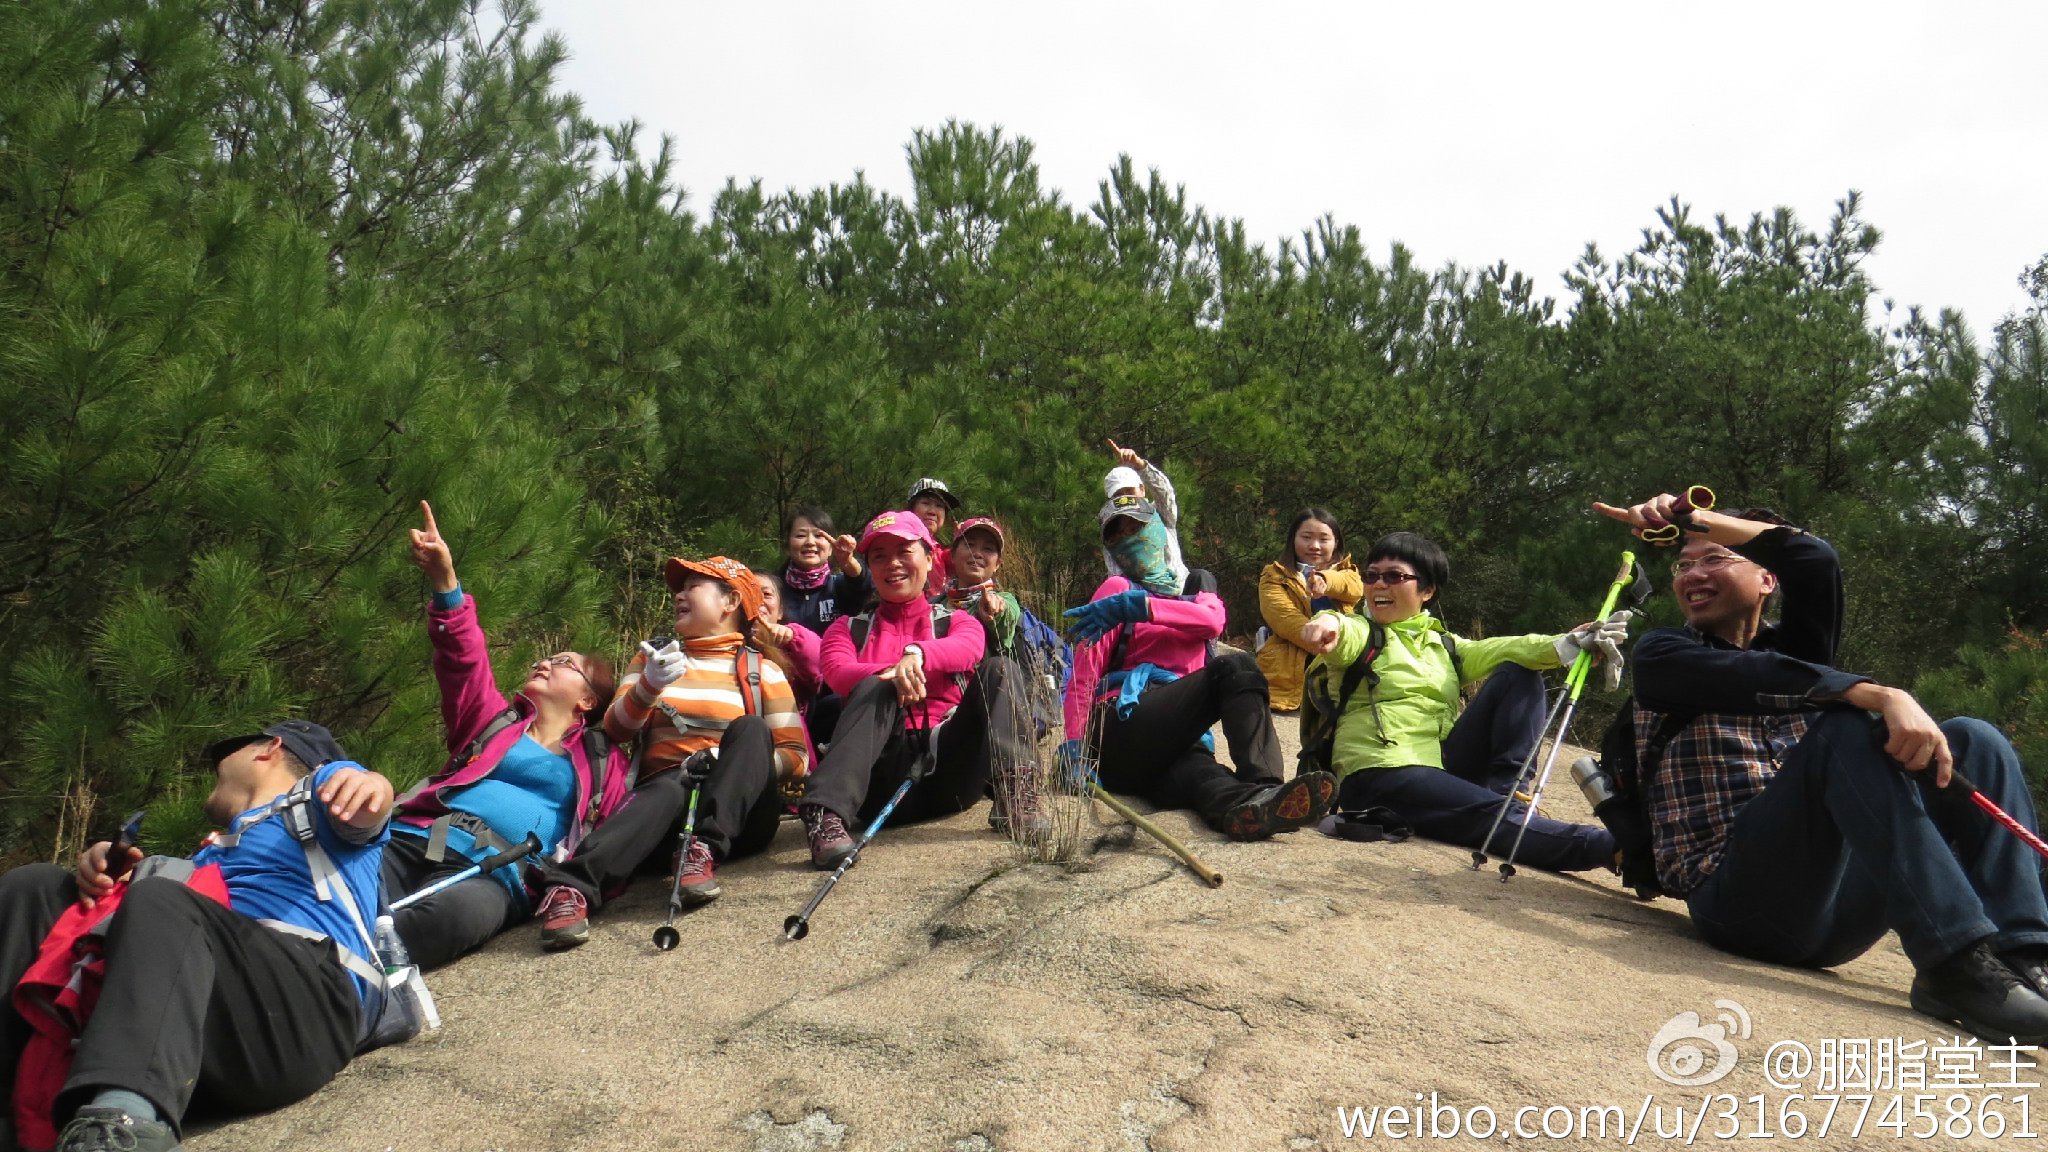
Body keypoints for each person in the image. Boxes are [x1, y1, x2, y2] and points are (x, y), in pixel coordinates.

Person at [1594, 492, 2048, 1043]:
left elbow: (1815, 560)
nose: (1693, 575)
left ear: (1767, 579)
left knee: (1976, 739)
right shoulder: (1663, 655)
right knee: (1843, 727)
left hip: (1834, 913)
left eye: (1714, 558)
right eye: (1684, 565)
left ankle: (2025, 958)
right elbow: (1760, 678)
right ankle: (1956, 963)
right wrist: (1882, 695)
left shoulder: (1797, 649)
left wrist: (1692, 517)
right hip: (1736, 902)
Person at [1, 722, 392, 1152]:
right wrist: (103, 882)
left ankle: (121, 1124)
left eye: (224, 756)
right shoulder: (207, 858)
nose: (213, 771)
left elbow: (366, 811)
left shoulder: (317, 803)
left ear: (269, 749)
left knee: (159, 898)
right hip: (202, 1042)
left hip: (303, 1016)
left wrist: (371, 786)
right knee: (34, 886)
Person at [384, 501, 629, 969]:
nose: (544, 663)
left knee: (452, 920)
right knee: (343, 892)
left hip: (497, 875)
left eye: (564, 663)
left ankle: (344, 976)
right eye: (546, 658)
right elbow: (463, 661)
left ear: (588, 700)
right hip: (415, 839)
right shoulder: (493, 722)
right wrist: (446, 583)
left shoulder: (604, 760)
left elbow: (620, 828)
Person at [1295, 531, 1620, 871]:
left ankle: (1509, 793)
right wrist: (1327, 622)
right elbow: (1345, 629)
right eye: (1371, 575)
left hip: (1437, 768)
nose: (1378, 584)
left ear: (1427, 590)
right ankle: (1612, 849)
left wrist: (1569, 643)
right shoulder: (1363, 632)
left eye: (1394, 576)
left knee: (1519, 673)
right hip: (1380, 772)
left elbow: (1505, 648)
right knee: (1493, 816)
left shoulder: (1444, 645)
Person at [528, 557, 808, 945]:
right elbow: (616, 729)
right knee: (671, 784)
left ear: (729, 602)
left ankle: (702, 849)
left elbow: (796, 757)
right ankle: (570, 889)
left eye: (693, 587)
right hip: (665, 812)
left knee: (751, 728)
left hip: (740, 819)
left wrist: (724, 761)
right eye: (680, 588)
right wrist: (649, 686)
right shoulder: (652, 660)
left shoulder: (763, 671)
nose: (679, 595)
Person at [1063, 495, 1335, 840]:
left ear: (1158, 530)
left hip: (1168, 749)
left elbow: (1212, 622)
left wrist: (1144, 608)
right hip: (1122, 727)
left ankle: (1261, 801)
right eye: (1117, 535)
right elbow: (1083, 677)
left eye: (1136, 527)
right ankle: (1266, 781)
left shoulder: (1196, 593)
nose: (1128, 539)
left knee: (1205, 779)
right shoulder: (1116, 590)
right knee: (1235, 667)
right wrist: (1073, 746)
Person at [799, 510, 1042, 864]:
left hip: (951, 771)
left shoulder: (958, 620)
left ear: (929, 559)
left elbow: (970, 648)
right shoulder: (846, 629)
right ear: (870, 568)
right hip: (878, 780)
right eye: (879, 556)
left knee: (1001, 670)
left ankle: (1016, 792)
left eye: (904, 552)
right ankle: (826, 814)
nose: (893, 564)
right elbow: (837, 671)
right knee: (875, 685)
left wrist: (918, 654)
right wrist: (895, 672)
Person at [1256, 508, 1363, 713]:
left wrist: (1325, 579)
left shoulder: (1347, 572)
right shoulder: (1274, 575)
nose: (1314, 545)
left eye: (1324, 539)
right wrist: (1327, 642)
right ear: (1293, 539)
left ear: (1336, 543)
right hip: (1289, 672)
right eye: (1306, 537)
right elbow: (1285, 619)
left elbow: (1354, 588)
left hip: (1340, 665)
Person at [1100, 439, 1189, 587]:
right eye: (1118, 494)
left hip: (1180, 589)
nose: (1125, 496)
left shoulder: (1160, 514)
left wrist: (1140, 465)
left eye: (1129, 490)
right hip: (1142, 593)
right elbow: (1115, 572)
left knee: (1202, 577)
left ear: (1142, 489)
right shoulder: (1112, 529)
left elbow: (1164, 493)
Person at [781, 506, 868, 636]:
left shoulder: (839, 587)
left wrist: (848, 561)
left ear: (831, 548)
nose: (810, 542)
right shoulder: (774, 590)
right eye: (800, 535)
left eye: (818, 535)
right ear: (787, 545)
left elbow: (863, 583)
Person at [907, 478, 960, 598]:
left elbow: (957, 565)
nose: (932, 511)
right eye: (926, 503)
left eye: (939, 506)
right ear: (911, 508)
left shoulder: (937, 549)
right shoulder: (901, 541)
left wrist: (960, 543)